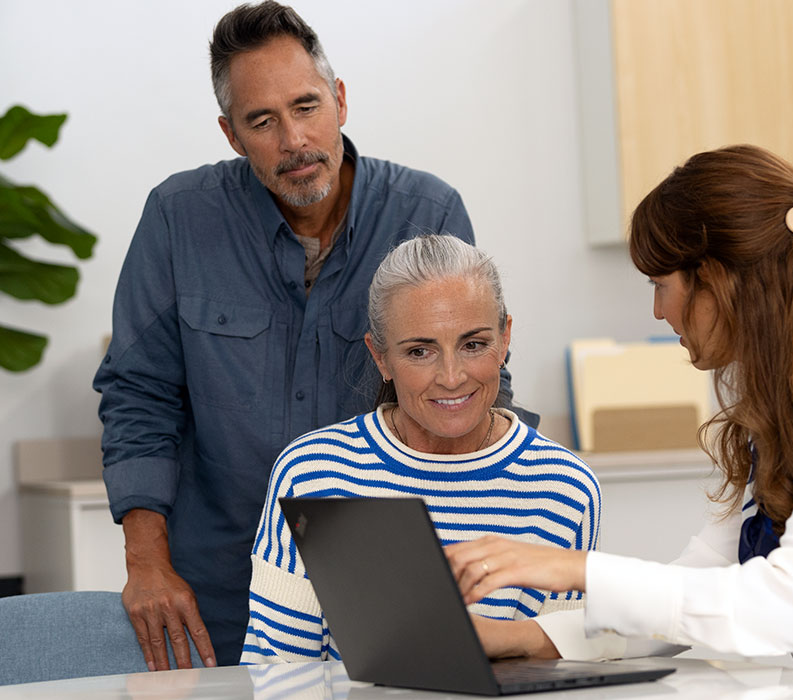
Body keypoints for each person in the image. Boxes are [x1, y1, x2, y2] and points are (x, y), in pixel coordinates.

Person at [92, 1, 535, 671]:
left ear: (340, 99)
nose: (294, 140)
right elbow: (138, 396)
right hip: (214, 589)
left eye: (306, 106)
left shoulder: (427, 211)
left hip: (389, 587)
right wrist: (146, 563)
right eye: (262, 121)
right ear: (231, 134)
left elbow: (475, 386)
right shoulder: (178, 219)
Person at [447, 145, 793, 700]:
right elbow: (699, 586)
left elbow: (791, 606)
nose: (658, 311)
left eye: (658, 284)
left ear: (716, 279)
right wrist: (522, 637)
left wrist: (576, 569)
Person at [240, 234, 601, 664]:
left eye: (473, 345)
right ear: (380, 357)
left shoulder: (565, 487)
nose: (451, 377)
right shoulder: (311, 473)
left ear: (505, 338)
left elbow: (563, 675)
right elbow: (277, 673)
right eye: (419, 351)